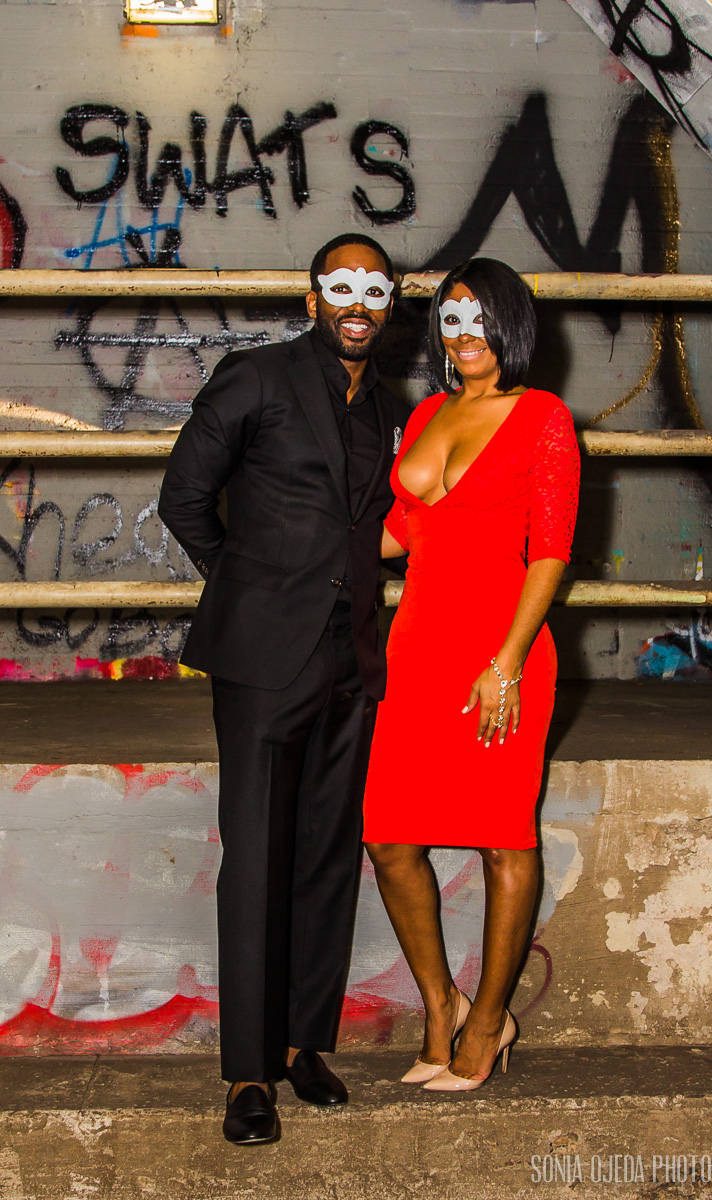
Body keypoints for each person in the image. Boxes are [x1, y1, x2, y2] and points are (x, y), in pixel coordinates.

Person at [158, 234, 409, 1144]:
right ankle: (247, 1074)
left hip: (352, 659)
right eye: (341, 286)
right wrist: (247, 586)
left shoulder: (390, 402)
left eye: (374, 289)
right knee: (259, 860)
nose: (357, 303)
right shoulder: (257, 378)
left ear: (389, 304)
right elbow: (184, 497)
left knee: (327, 857)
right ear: (313, 299)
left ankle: (305, 1045)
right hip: (264, 660)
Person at [363, 257, 580, 1092]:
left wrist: (507, 662)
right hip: (416, 647)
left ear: (510, 325)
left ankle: (489, 1021)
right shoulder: (427, 413)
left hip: (502, 650)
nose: (465, 334)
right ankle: (440, 1006)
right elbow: (399, 534)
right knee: (388, 838)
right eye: (451, 319)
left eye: (480, 317)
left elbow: (550, 552)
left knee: (502, 838)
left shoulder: (542, 416)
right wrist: (286, 518)